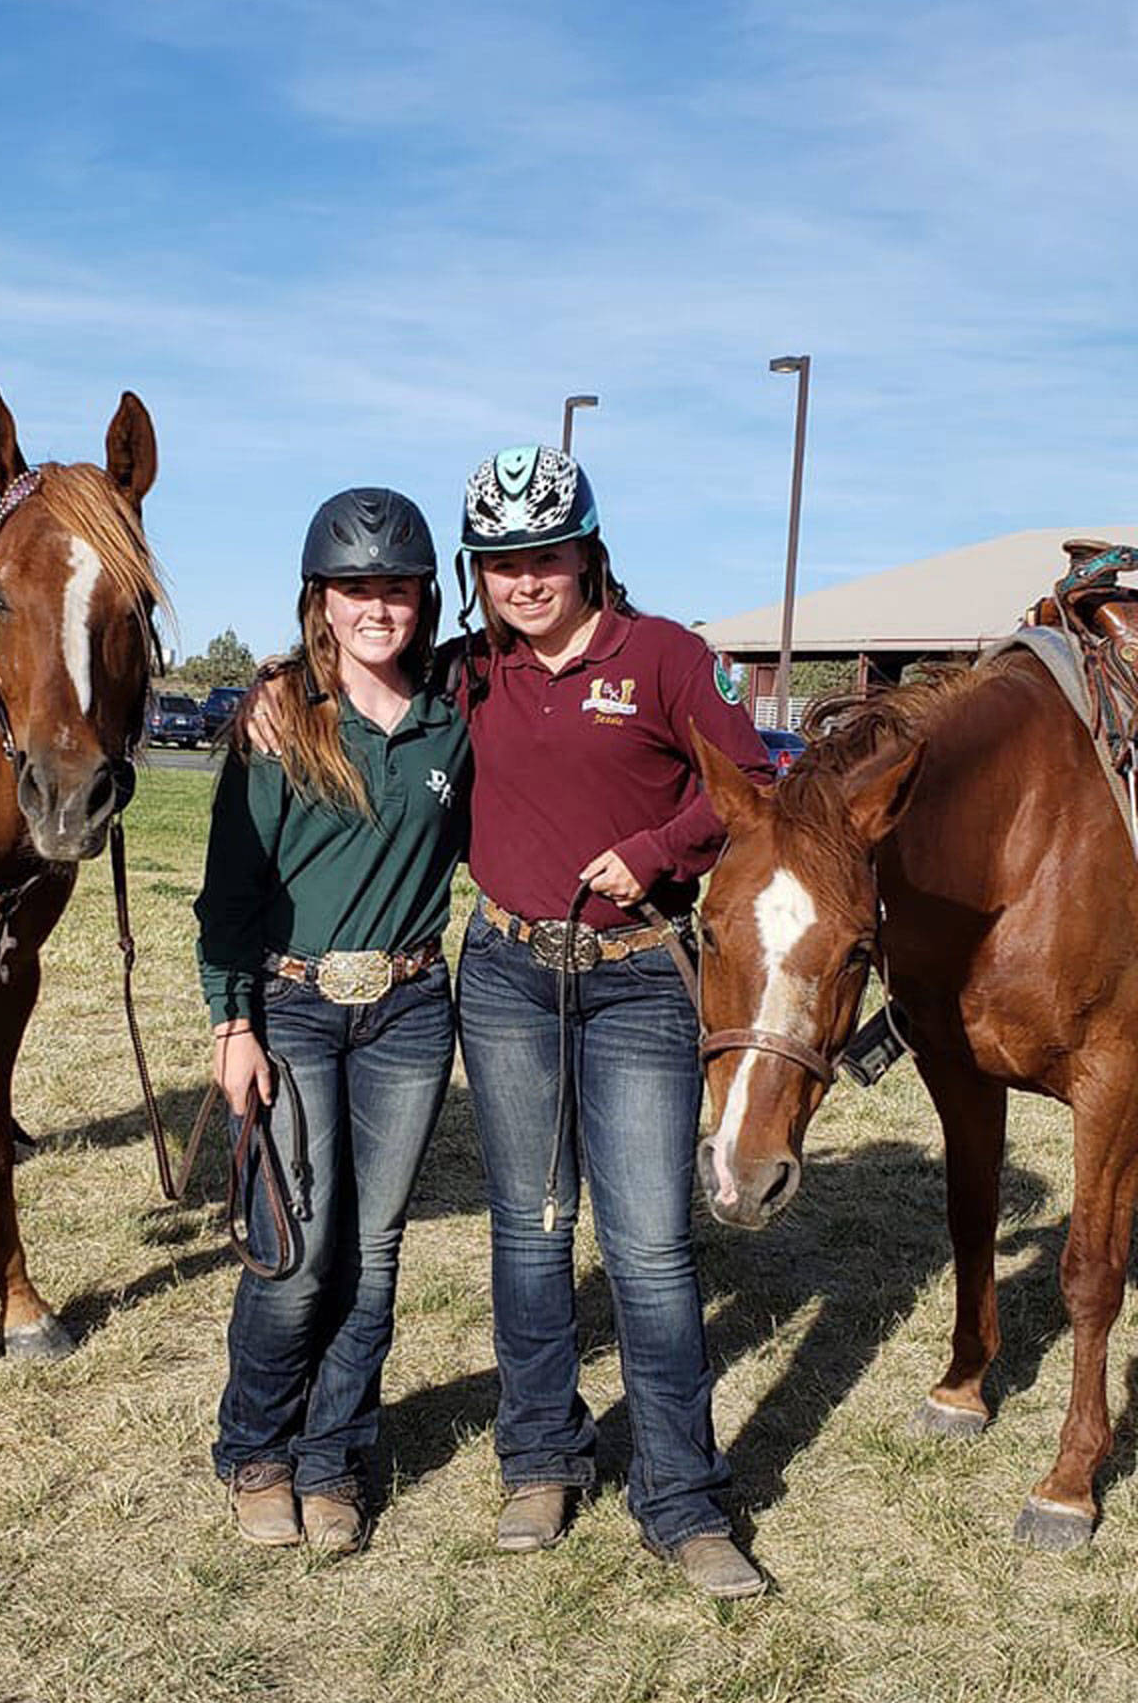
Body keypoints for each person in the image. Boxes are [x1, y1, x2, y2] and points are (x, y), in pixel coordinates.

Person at [453, 444, 773, 1599]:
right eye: (500, 561)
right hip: (503, 976)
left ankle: (681, 1496)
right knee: (530, 1229)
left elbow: (747, 781)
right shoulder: (471, 670)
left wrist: (657, 852)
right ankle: (540, 1455)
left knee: (646, 1242)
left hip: (638, 981)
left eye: (544, 554)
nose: (525, 580)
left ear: (588, 549)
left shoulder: (666, 657)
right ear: (476, 571)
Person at [196, 487, 470, 1554]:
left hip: (407, 1009)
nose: (376, 606)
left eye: (395, 586)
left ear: (422, 596)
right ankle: (256, 1445)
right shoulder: (278, 718)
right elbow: (226, 891)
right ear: (319, 598)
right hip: (294, 1004)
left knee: (375, 1246)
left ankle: (334, 1454)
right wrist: (233, 1025)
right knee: (297, 1246)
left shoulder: (454, 714)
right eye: (356, 586)